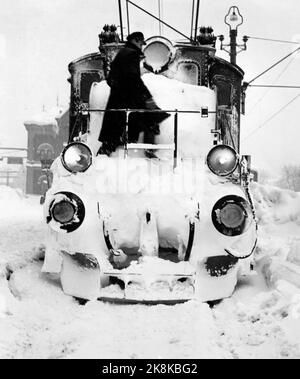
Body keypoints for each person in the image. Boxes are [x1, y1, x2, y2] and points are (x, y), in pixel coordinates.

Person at [98, 31, 170, 156]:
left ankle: (110, 149)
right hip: (127, 98)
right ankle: (148, 150)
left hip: (119, 98)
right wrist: (147, 97)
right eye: (141, 44)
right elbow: (133, 79)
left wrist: (120, 88)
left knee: (115, 130)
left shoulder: (123, 53)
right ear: (136, 41)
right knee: (152, 117)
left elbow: (111, 79)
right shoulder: (131, 54)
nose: (141, 47)